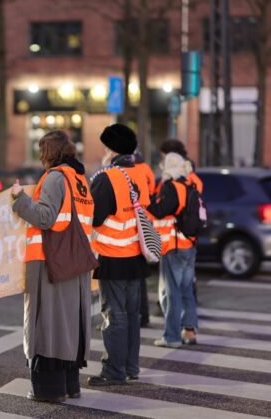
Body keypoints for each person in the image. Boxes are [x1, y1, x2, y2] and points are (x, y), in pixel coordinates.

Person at [11, 130, 93, 402]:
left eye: (42, 150)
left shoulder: (55, 177)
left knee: (48, 322)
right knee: (70, 323)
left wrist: (19, 199)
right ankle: (71, 385)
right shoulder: (80, 179)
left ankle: (50, 390)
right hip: (76, 260)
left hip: (51, 261)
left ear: (50, 152)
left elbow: (45, 218)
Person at [87, 124, 151, 386]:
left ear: (112, 150)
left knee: (115, 316)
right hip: (136, 256)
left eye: (106, 147)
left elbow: (94, 217)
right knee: (132, 314)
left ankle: (113, 371)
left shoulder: (107, 178)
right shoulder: (139, 175)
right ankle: (131, 366)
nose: (104, 151)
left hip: (112, 256)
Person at [148, 152, 199, 348]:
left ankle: (172, 337)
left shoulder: (171, 187)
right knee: (187, 290)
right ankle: (190, 330)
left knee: (172, 293)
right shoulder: (189, 185)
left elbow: (162, 211)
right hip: (189, 246)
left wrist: (147, 201)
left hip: (173, 247)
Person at [132, 149, 156, 327]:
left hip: (134, 228)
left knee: (135, 280)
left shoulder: (130, 171)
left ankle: (140, 315)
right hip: (146, 223)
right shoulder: (147, 170)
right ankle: (144, 315)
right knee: (140, 276)